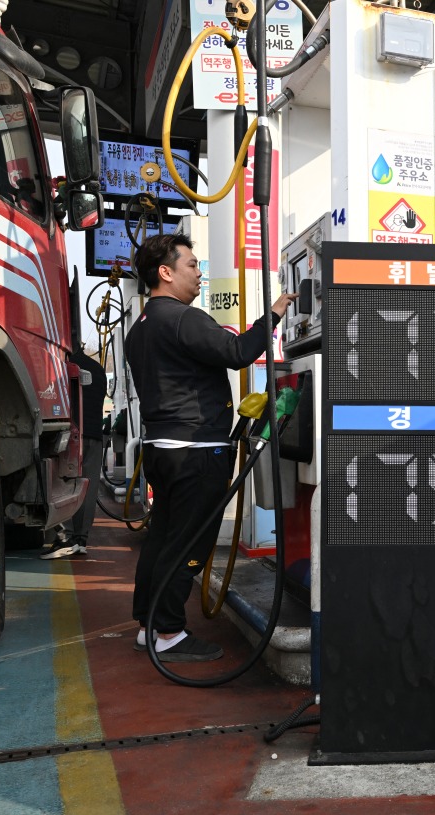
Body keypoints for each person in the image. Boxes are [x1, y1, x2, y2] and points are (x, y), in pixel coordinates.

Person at [124, 233, 296, 663]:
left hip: (163, 449)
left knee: (164, 537)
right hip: (195, 450)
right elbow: (237, 352)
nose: (200, 273)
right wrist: (272, 316)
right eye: (192, 265)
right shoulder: (182, 317)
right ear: (166, 272)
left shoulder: (141, 327)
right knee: (189, 544)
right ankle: (168, 632)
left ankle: (149, 625)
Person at [41, 345, 107, 559]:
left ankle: (66, 538)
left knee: (66, 483)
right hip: (95, 435)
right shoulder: (97, 369)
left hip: (71, 434)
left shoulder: (60, 366)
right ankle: (81, 539)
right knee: (89, 486)